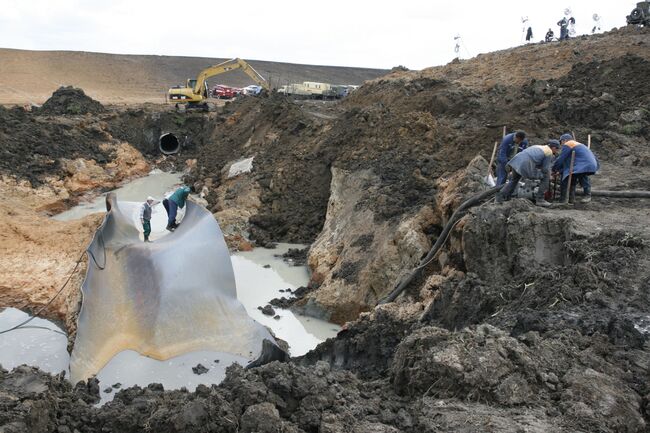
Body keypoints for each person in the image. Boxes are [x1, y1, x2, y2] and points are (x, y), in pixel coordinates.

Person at [496, 140, 561, 207]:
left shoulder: (538, 146)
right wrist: (549, 175)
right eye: (557, 149)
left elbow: (536, 159)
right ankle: (540, 200)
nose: (556, 151)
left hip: (516, 160)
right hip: (525, 163)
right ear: (553, 148)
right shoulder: (549, 152)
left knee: (514, 180)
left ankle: (502, 197)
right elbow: (545, 170)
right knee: (545, 178)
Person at [553, 134, 599, 203]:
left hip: (584, 165)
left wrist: (554, 169)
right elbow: (568, 164)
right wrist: (560, 170)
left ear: (564, 140)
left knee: (566, 179)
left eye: (561, 142)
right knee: (575, 176)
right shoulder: (579, 145)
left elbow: (561, 159)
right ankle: (572, 199)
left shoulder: (569, 144)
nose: (561, 145)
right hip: (591, 164)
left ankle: (563, 200)